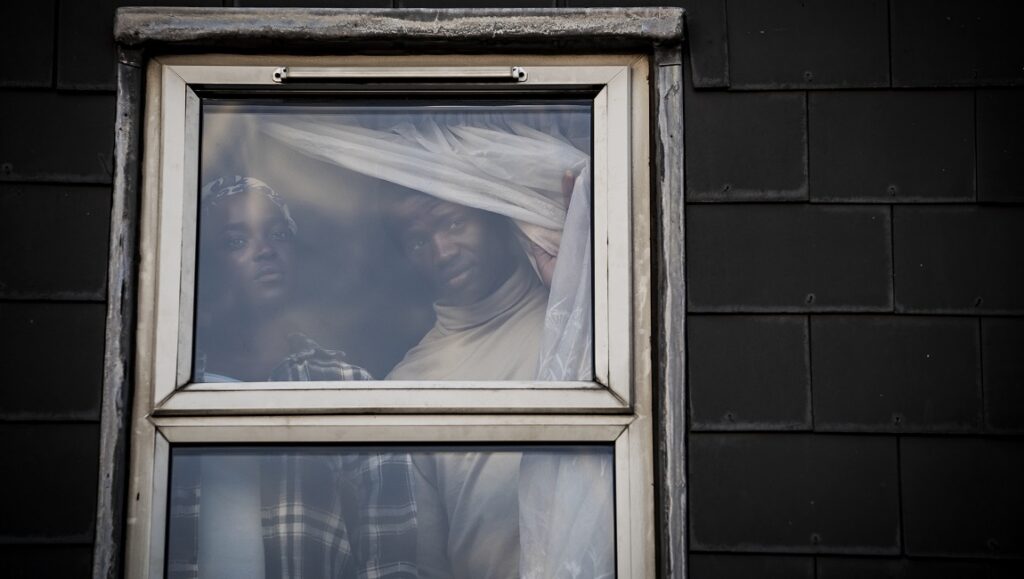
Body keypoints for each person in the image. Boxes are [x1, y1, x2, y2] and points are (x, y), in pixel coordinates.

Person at [168, 176, 418, 579]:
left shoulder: (347, 386)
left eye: (279, 234)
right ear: (205, 265)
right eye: (235, 241)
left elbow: (391, 562)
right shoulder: (170, 383)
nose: (265, 250)